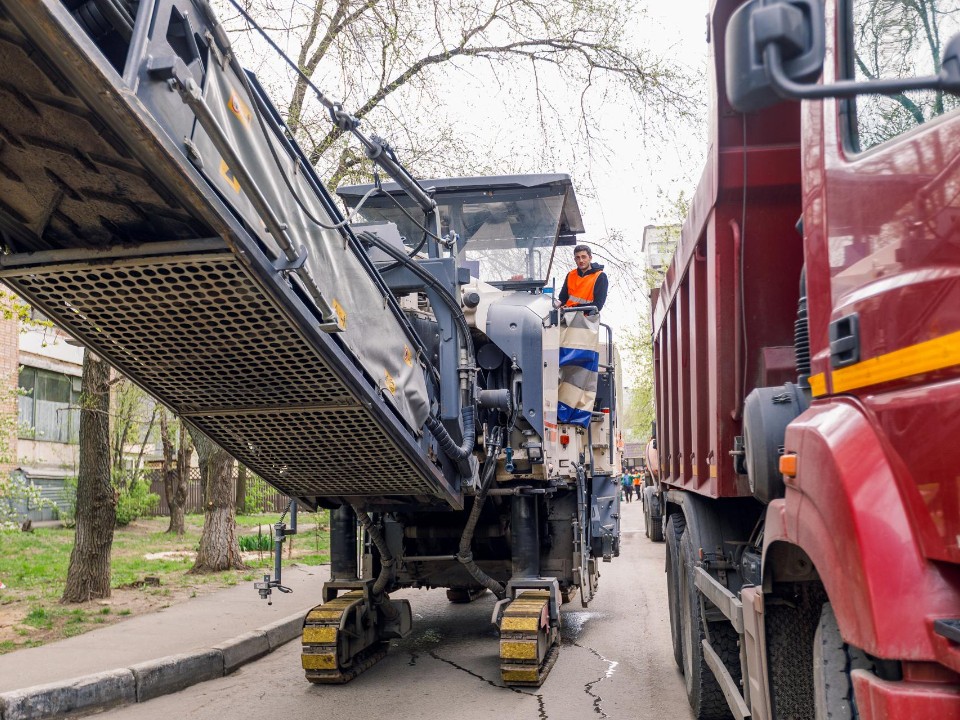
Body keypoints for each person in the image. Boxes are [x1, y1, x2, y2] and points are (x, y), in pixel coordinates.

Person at [556, 244, 608, 313]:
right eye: (578, 257)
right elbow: (563, 298)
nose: (581, 260)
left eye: (584, 257)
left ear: (590, 258)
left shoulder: (600, 276)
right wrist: (560, 304)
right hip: (568, 316)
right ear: (575, 259)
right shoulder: (571, 275)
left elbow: (598, 305)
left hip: (588, 319)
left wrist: (572, 308)